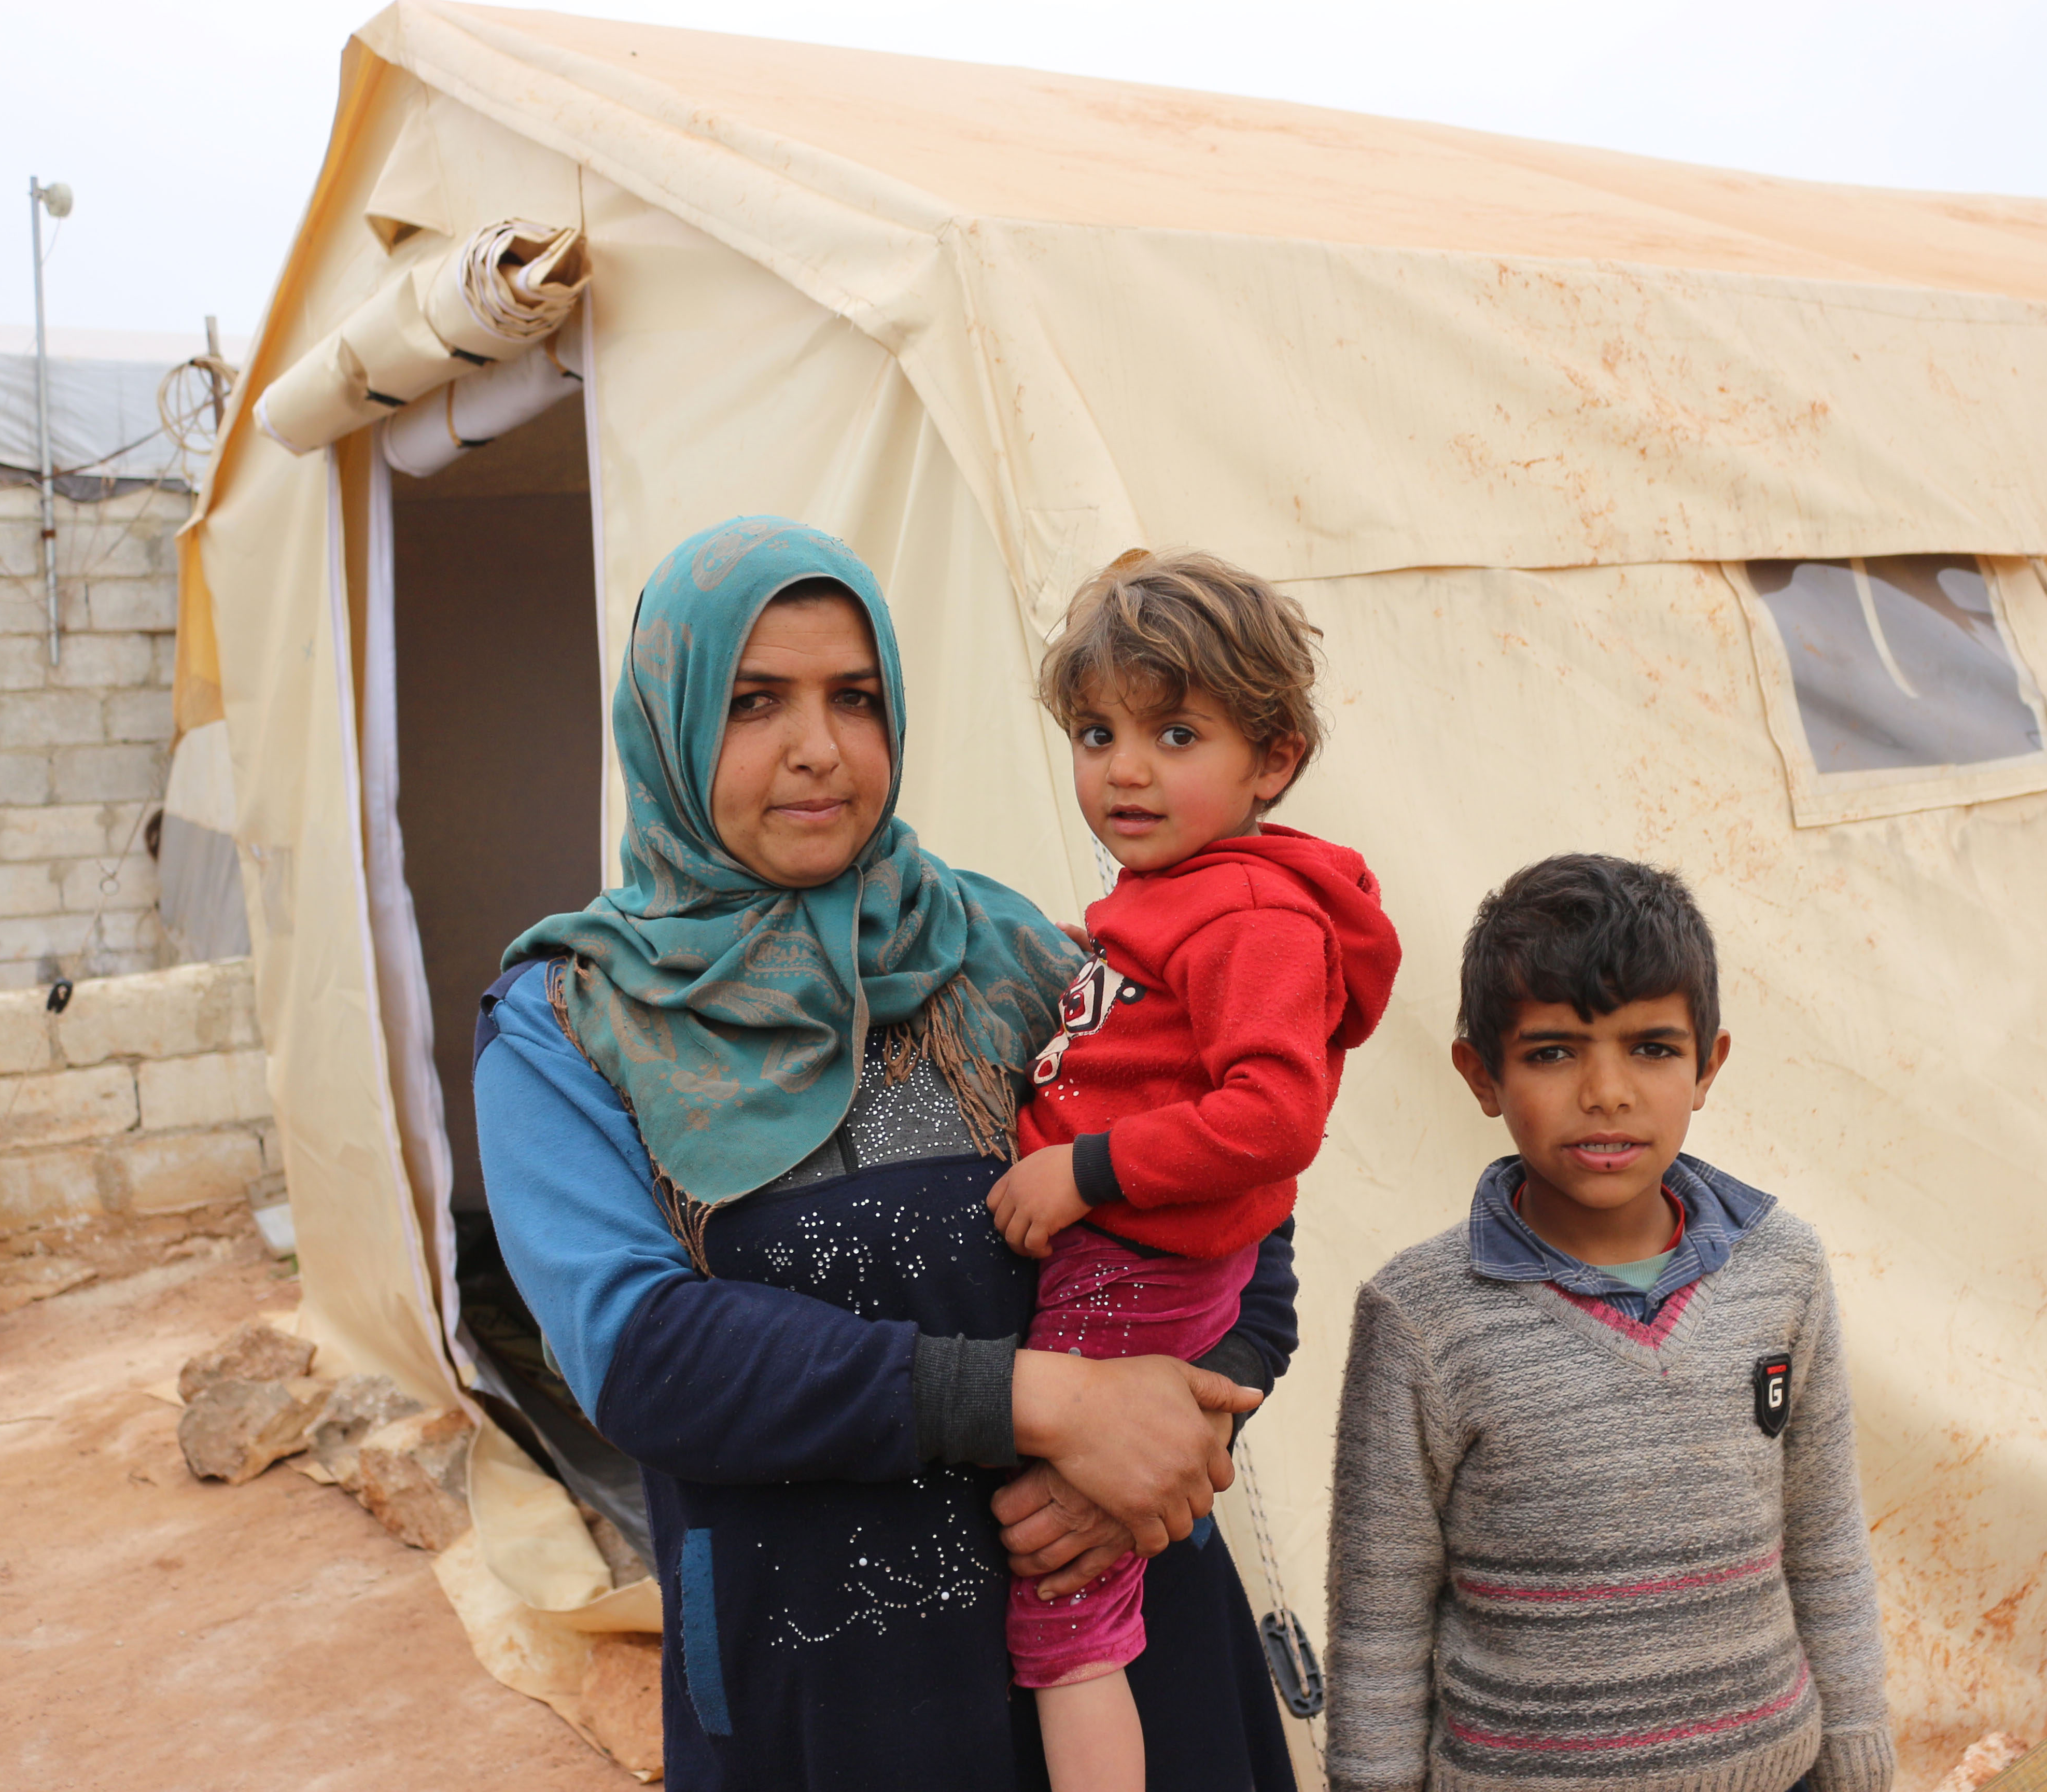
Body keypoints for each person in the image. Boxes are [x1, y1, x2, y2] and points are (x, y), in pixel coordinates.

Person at [474, 517, 1302, 1790]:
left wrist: (1185, 1426)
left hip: (1126, 1655)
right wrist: (1056, 1404)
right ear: (670, 721)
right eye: (755, 702)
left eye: (853, 699)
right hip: (832, 1695)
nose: (817, 748)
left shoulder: (1009, 954)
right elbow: (646, 1357)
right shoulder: (573, 1020)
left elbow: (1240, 1204)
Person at [1323, 855, 1895, 1792]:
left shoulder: (1783, 1267)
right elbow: (1379, 1621)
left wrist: (1860, 1765)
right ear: (1482, 1073)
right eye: (1553, 1052)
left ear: (1708, 1066)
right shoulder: (1420, 1316)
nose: (1607, 1092)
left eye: (1652, 1048)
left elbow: (1826, 1539)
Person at [985, 550, 1401, 1792]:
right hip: (1133, 1248)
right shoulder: (1175, 894)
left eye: (1176, 733)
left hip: (1137, 1262)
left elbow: (1274, 1115)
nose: (1125, 768)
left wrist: (1089, 1172)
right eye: (1099, 732)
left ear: (1270, 761)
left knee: (1069, 1621)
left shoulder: (1252, 917)